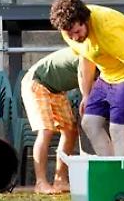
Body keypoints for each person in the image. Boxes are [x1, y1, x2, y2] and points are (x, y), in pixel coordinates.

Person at [49, 0, 124, 156]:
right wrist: (86, 94)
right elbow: (85, 58)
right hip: (108, 75)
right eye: (70, 35)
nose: (75, 38)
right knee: (89, 123)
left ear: (84, 20)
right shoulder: (69, 30)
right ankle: (111, 171)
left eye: (77, 32)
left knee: (117, 129)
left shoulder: (108, 30)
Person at [21, 47, 81, 193]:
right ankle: (40, 182)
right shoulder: (87, 56)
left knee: (70, 131)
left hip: (57, 89)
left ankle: (60, 179)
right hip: (37, 82)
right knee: (46, 130)